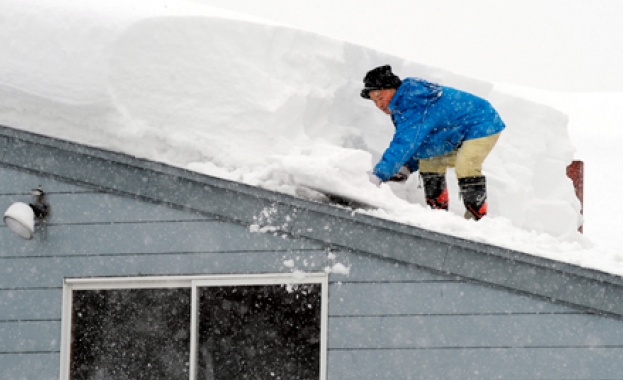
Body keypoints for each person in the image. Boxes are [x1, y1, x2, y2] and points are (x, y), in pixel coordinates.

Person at [362, 65, 505, 220]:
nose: (379, 105)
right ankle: (438, 216)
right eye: (375, 101)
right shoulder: (405, 104)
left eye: (381, 98)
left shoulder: (413, 104)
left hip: (483, 122)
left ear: (393, 89)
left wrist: (378, 175)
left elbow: (405, 143)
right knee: (429, 162)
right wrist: (408, 166)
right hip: (455, 129)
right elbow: (421, 141)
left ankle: (478, 219)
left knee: (466, 165)